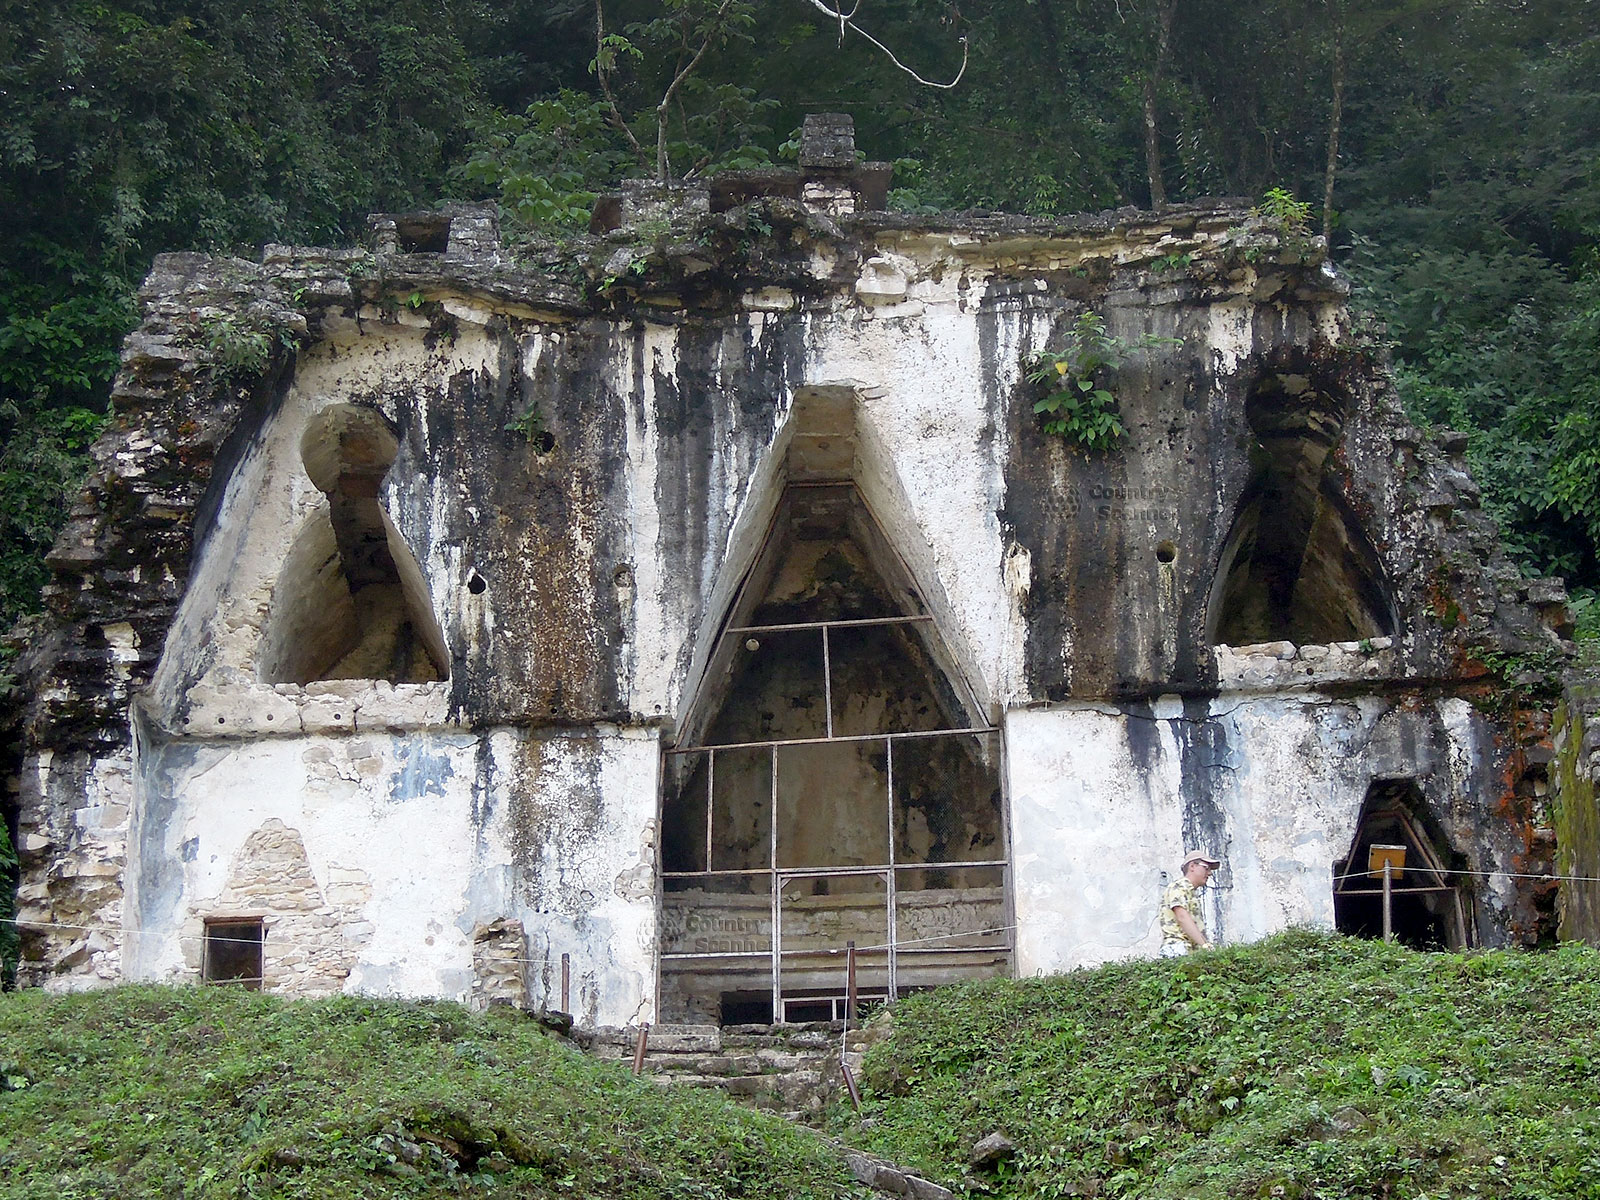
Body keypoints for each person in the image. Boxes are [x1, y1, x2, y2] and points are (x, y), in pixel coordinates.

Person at [1159, 849, 1221, 956]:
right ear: (1192, 866)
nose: (1209, 873)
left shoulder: (1190, 891)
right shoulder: (1180, 886)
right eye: (1206, 868)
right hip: (1178, 948)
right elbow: (1182, 917)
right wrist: (1204, 945)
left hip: (1188, 951)